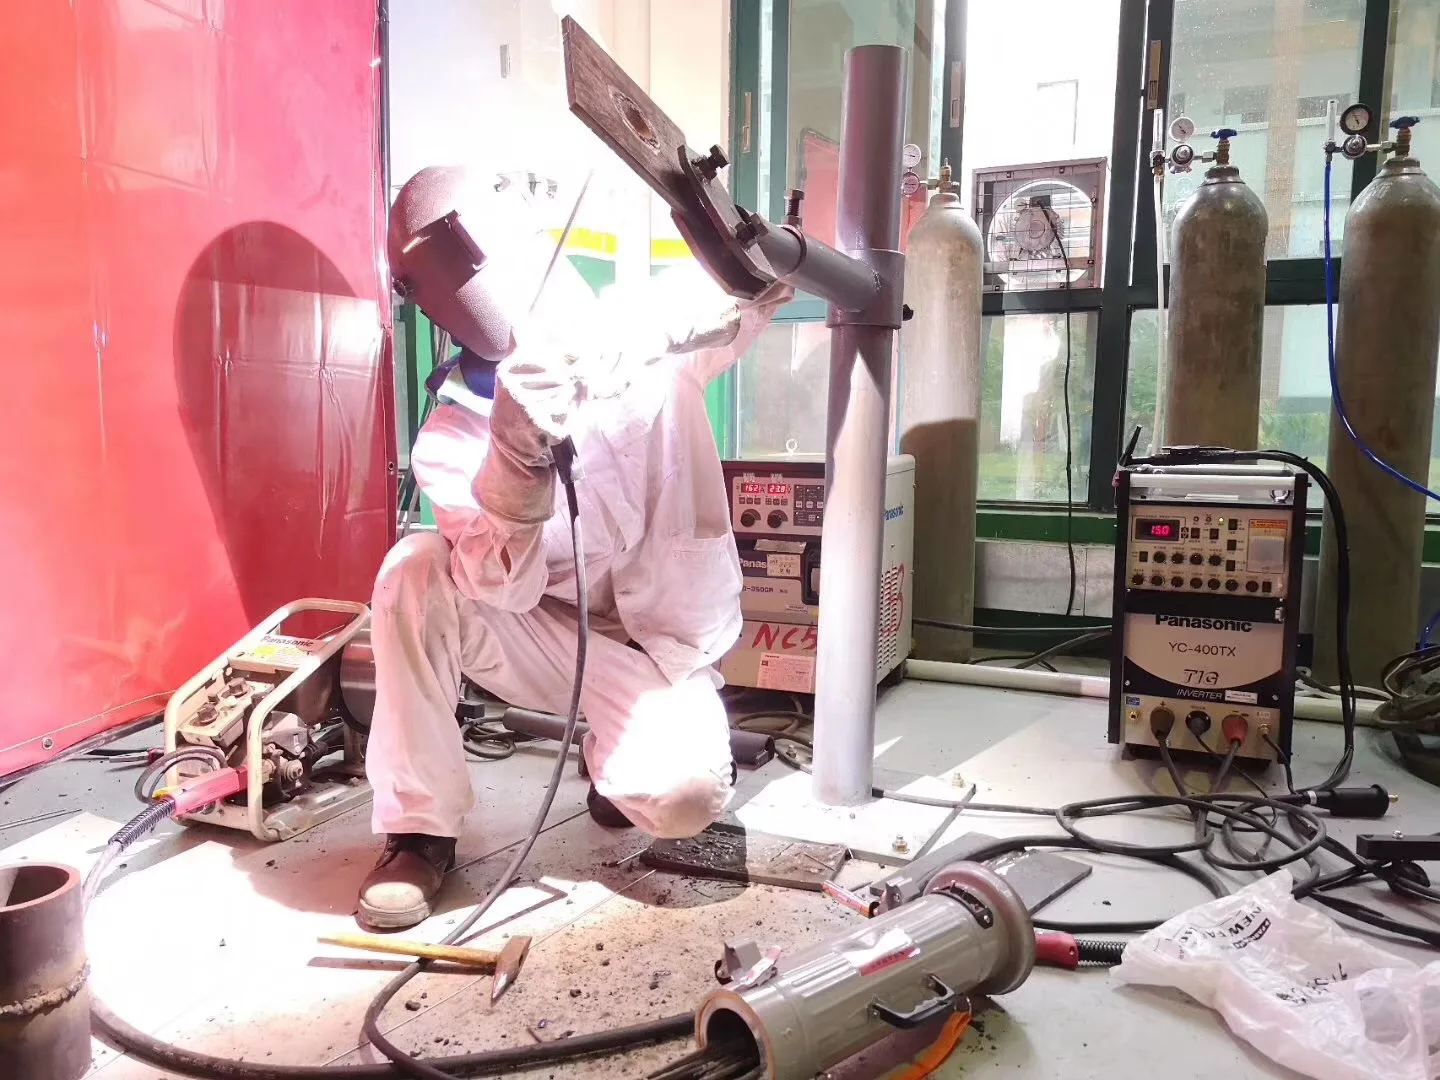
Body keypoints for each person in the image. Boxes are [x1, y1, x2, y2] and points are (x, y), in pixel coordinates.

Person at [358, 166, 791, 930]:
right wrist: (514, 461)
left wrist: (729, 270)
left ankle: (614, 761)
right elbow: (503, 587)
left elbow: (759, 287)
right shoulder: (452, 438)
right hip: (546, 642)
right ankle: (419, 828)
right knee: (413, 571)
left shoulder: (642, 332)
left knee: (683, 797)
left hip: (662, 645)